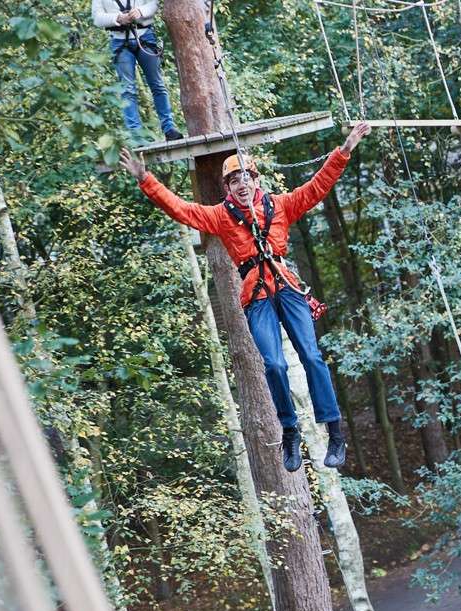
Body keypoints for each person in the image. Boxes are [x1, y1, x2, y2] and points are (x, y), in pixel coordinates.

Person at [117, 122, 372, 471]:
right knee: (275, 364)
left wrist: (345, 149)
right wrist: (145, 179)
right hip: (256, 295)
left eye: (246, 178)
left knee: (311, 356)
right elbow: (182, 210)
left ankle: (335, 432)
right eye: (234, 180)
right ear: (227, 187)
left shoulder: (280, 205)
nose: (242, 184)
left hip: (286, 287)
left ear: (256, 180)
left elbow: (318, 186)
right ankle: (290, 432)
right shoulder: (222, 216)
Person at [92, 0, 183, 141]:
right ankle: (135, 136)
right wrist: (117, 18)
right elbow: (97, 18)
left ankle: (169, 128)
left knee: (157, 84)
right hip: (119, 40)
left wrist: (140, 11)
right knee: (127, 90)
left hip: (145, 35)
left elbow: (154, 4)